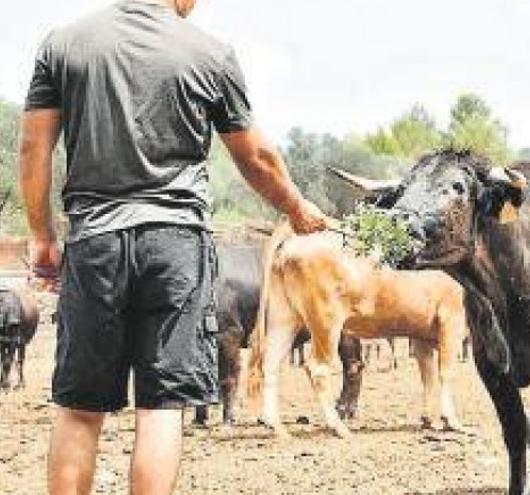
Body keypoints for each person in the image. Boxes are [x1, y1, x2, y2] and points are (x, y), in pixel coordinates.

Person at [17, 0, 328, 493]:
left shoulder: (64, 44)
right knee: (161, 408)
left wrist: (42, 237)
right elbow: (257, 158)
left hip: (95, 242)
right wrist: (296, 207)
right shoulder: (209, 53)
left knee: (78, 409)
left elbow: (34, 147)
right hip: (175, 247)